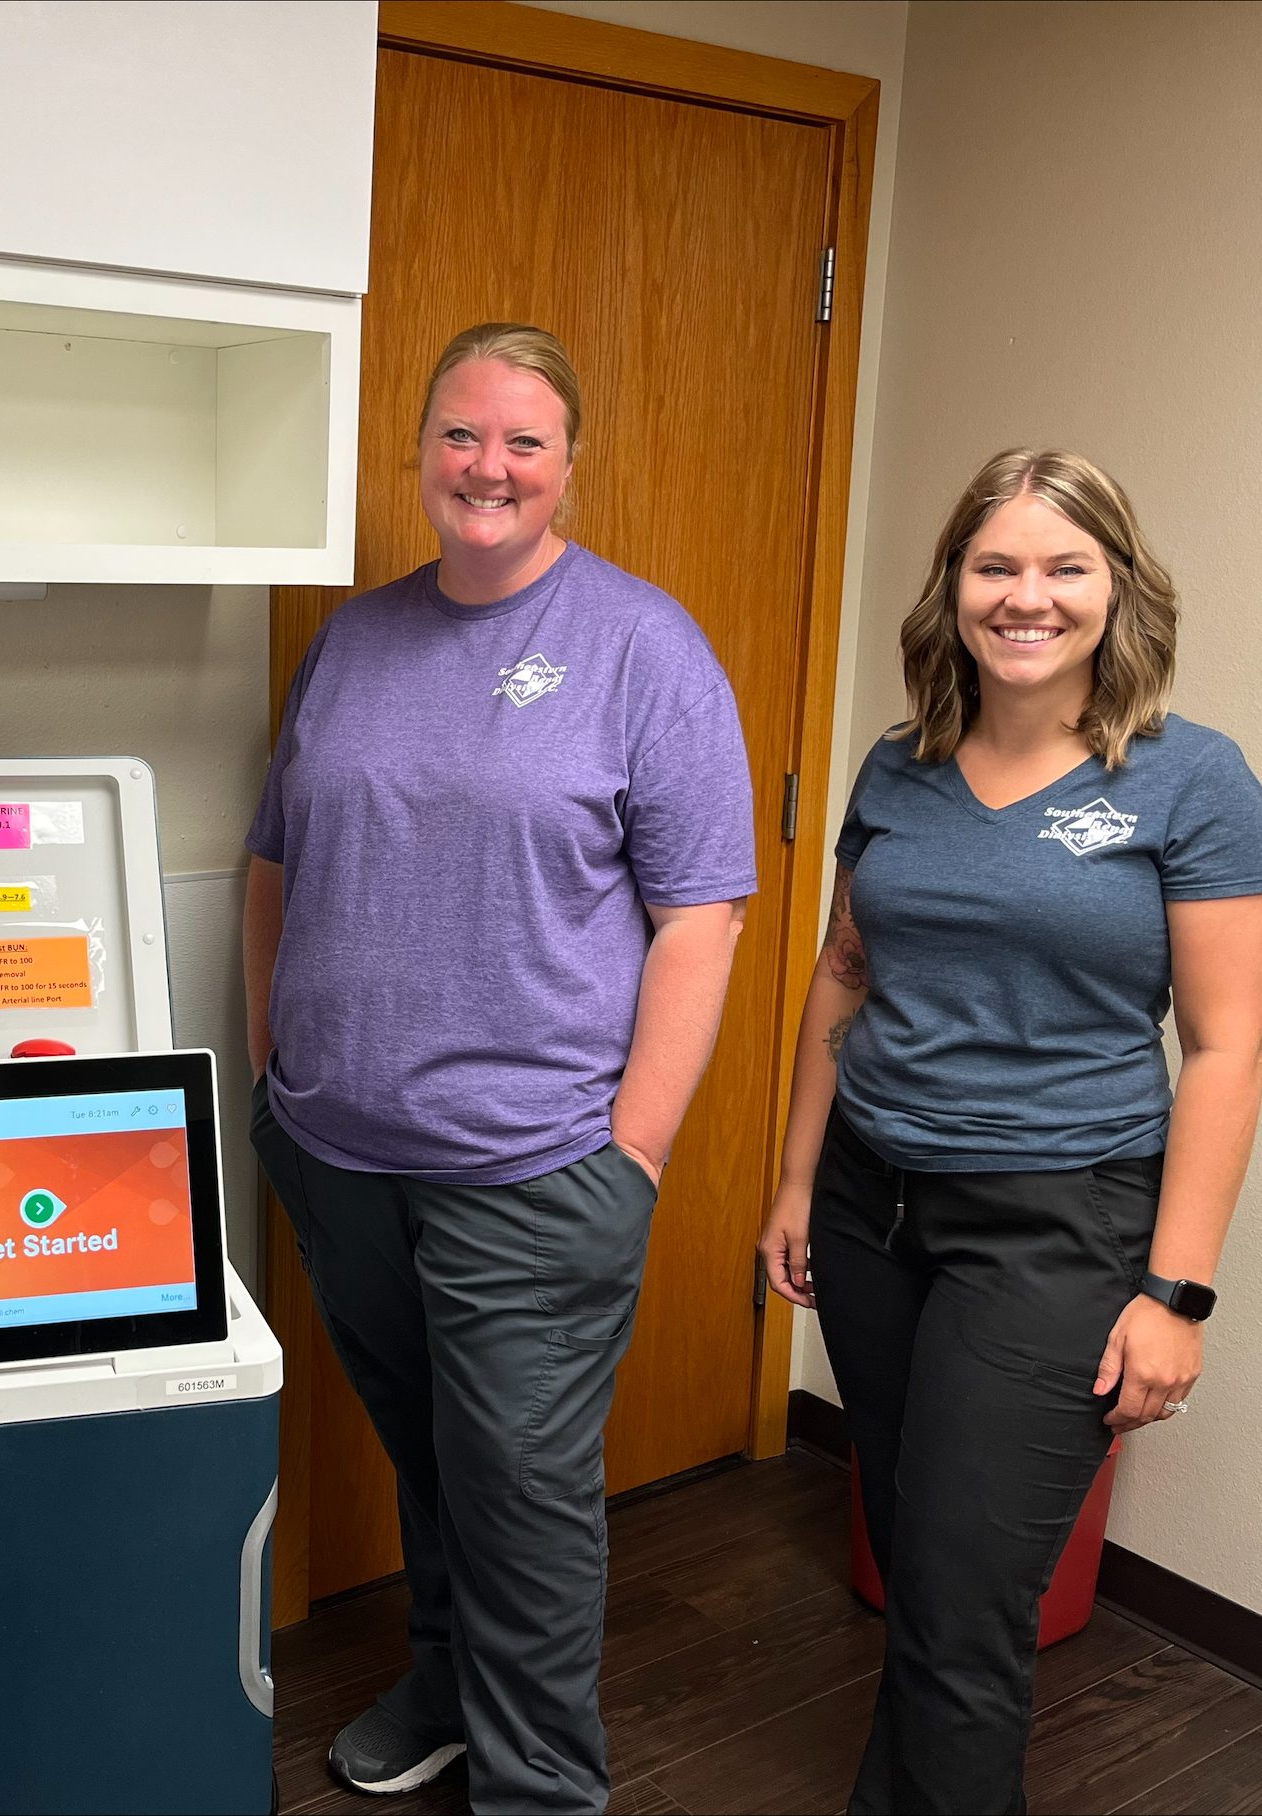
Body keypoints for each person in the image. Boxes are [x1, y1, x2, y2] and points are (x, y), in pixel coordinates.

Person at [244, 323, 756, 1813]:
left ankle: (542, 1787)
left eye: (523, 442)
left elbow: (701, 918)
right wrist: (281, 1073)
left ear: (569, 468)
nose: (489, 468)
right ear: (419, 456)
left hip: (534, 1170)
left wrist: (638, 1147)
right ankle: (446, 1684)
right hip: (339, 1150)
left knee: (524, 1504)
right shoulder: (355, 637)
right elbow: (279, 855)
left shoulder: (641, 647)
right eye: (462, 436)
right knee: (430, 1452)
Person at [757, 449, 1262, 1813]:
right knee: (917, 1565)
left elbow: (1226, 1052)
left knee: (962, 1607)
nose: (1027, 596)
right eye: (996, 565)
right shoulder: (901, 766)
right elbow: (845, 974)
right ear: (955, 587)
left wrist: (1175, 1293)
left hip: (1057, 1221)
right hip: (873, 1209)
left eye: (1065, 567)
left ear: (1119, 589)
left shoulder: (1191, 782)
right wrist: (796, 1181)